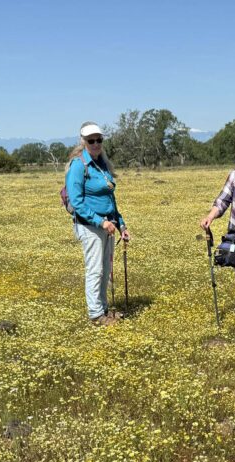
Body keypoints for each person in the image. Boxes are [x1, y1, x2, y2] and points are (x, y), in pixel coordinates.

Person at [65, 122, 130, 326]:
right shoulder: (78, 166)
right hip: (90, 226)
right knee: (95, 269)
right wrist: (100, 222)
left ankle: (104, 309)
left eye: (99, 140)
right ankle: (95, 314)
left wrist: (121, 225)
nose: (95, 143)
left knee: (105, 269)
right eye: (91, 140)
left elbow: (111, 199)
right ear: (83, 142)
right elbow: (76, 202)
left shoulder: (103, 164)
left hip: (108, 224)